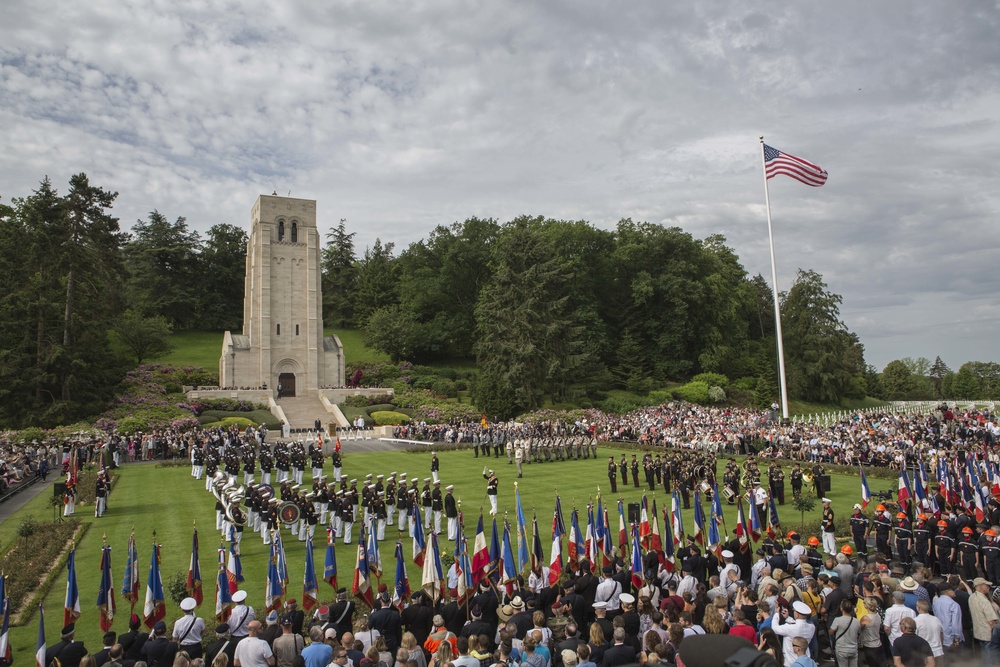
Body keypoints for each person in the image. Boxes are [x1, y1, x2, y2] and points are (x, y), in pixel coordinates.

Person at [772, 601, 815, 667]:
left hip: (790, 662)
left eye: (794, 611)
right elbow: (799, 624)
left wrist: (776, 614)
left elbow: (774, 628)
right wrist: (788, 618)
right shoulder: (812, 627)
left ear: (797, 615)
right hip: (805, 660)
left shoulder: (790, 628)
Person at [967, 577, 1000, 658]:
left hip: (978, 633)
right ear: (980, 586)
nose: (989, 587)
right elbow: (991, 621)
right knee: (991, 657)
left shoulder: (971, 597)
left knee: (985, 655)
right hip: (989, 634)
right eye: (987, 585)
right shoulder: (984, 601)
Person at [829, 599, 861, 667]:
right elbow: (858, 633)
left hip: (841, 649)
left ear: (841, 609)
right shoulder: (856, 621)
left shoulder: (837, 620)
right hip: (853, 649)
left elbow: (831, 632)